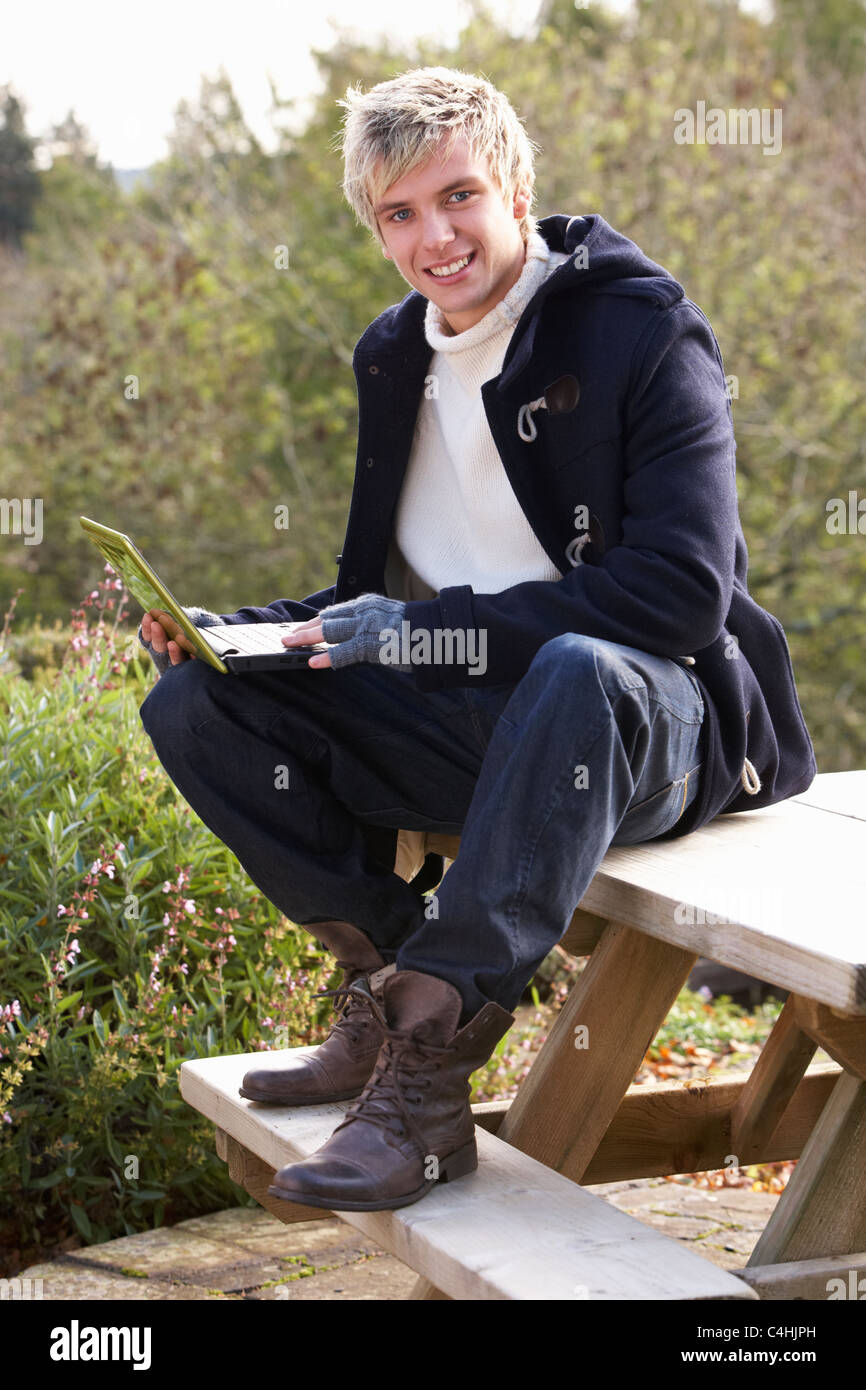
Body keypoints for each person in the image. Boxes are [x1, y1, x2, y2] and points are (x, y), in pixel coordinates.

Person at [138, 67, 816, 1213]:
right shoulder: (393, 353)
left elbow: (680, 594)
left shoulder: (637, 327)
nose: (433, 236)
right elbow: (381, 595)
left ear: (510, 184)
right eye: (398, 214)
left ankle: (426, 1081)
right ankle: (389, 986)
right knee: (195, 703)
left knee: (573, 667)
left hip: (656, 717)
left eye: (456, 196)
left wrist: (419, 636)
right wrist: (231, 633)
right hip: (485, 715)